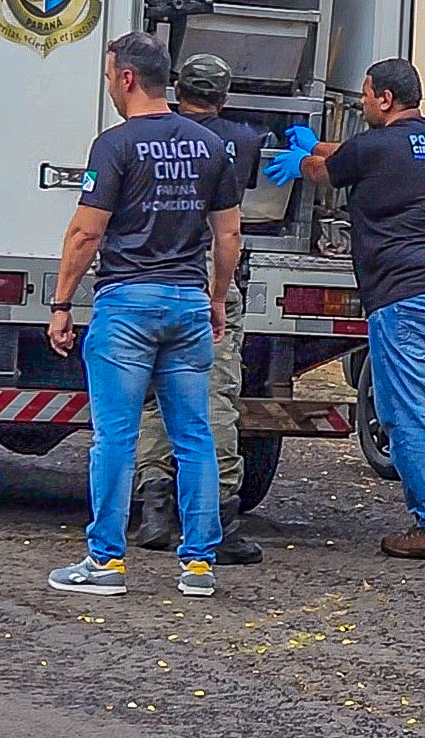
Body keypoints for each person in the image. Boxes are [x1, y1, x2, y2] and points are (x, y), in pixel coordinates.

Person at [265, 58, 425, 563]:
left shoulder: (377, 146)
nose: (359, 101)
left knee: (408, 413)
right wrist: (319, 146)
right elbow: (362, 156)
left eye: (366, 93)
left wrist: (303, 160)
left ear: (386, 100)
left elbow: (329, 171)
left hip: (408, 298)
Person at [46, 32, 242, 598]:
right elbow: (227, 233)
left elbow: (87, 231)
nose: (109, 85)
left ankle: (105, 562)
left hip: (127, 305)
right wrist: (216, 298)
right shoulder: (210, 147)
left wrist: (62, 303)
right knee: (195, 435)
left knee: (115, 438)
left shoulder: (115, 145)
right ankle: (200, 564)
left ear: (126, 78)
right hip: (186, 305)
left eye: (110, 75)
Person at [134, 53, 267, 565]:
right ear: (225, 95)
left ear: (175, 89)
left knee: (151, 400)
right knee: (213, 396)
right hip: (208, 273)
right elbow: (229, 228)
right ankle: (220, 518)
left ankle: (153, 509)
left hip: (150, 269)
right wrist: (219, 291)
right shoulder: (241, 141)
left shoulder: (146, 137)